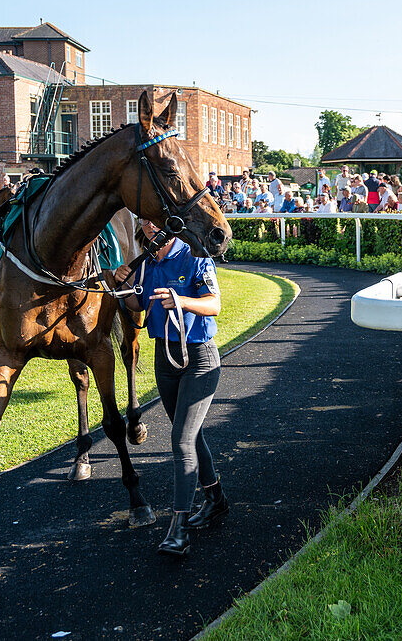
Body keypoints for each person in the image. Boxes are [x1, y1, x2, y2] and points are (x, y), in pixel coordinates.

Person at [113, 219, 227, 556]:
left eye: (155, 219)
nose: (149, 225)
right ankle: (216, 499)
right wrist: (122, 286)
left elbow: (214, 305)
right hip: (165, 359)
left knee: (180, 440)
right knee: (192, 436)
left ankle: (178, 529)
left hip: (200, 359)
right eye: (144, 221)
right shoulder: (148, 263)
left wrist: (181, 300)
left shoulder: (196, 256)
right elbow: (138, 304)